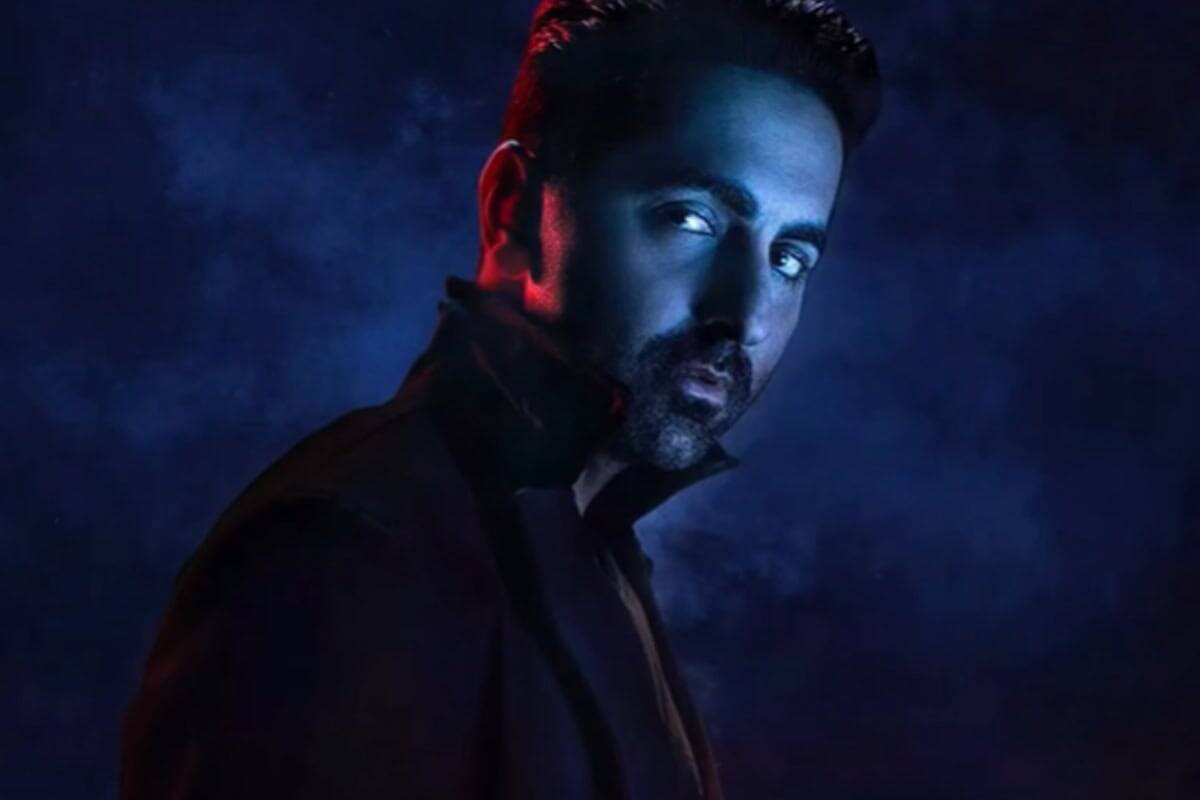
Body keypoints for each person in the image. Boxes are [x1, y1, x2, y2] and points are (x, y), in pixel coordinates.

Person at [119, 1, 881, 798]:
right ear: (513, 208)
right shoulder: (345, 553)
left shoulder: (594, 544)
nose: (747, 311)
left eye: (791, 259)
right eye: (691, 218)